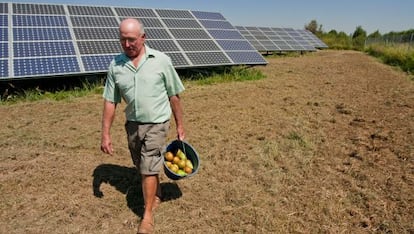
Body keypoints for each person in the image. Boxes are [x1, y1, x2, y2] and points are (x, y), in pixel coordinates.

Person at [100, 18, 185, 234]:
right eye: (123, 40)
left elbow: (174, 95)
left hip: (157, 123)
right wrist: (105, 134)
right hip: (133, 125)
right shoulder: (116, 65)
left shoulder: (161, 61)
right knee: (142, 165)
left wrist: (180, 125)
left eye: (131, 40)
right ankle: (157, 193)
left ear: (143, 37)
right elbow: (111, 101)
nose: (127, 45)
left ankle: (147, 216)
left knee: (148, 167)